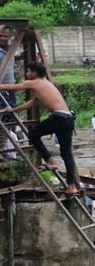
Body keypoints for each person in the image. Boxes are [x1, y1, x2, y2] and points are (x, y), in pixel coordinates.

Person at [0, 62, 80, 193]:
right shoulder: (45, 84)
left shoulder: (35, 83)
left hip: (59, 117)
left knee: (33, 135)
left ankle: (50, 160)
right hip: (68, 118)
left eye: (28, 71)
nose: (27, 74)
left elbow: (11, 87)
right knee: (66, 153)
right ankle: (72, 186)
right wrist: (14, 109)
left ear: (35, 73)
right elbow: (31, 103)